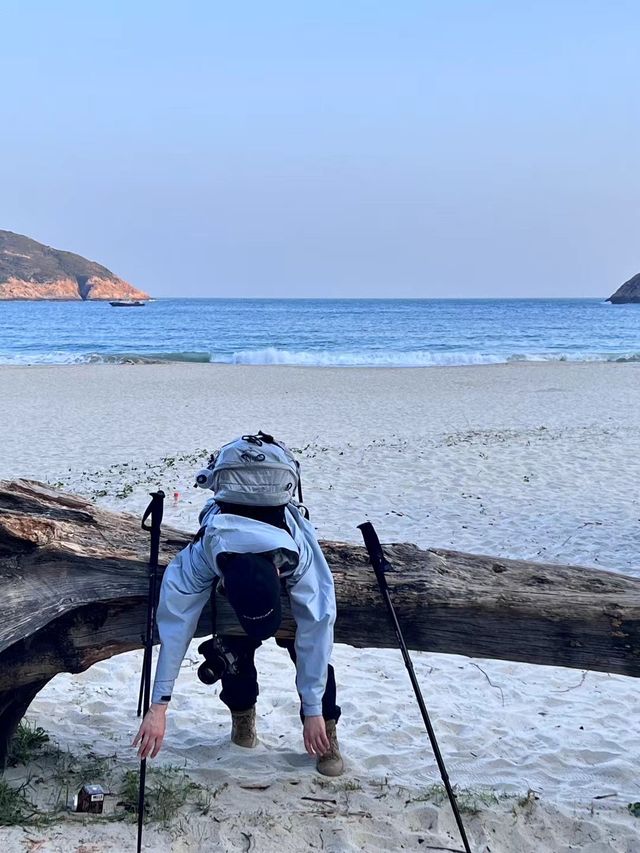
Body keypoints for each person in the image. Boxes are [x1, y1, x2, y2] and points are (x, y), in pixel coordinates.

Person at [133, 432, 344, 776]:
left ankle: (326, 731)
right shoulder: (203, 555)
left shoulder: (301, 557)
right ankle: (242, 717)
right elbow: (175, 625)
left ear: (279, 574)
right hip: (236, 574)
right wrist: (158, 706)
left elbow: (317, 634)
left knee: (302, 644)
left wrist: (314, 709)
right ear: (224, 581)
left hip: (272, 572)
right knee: (231, 643)